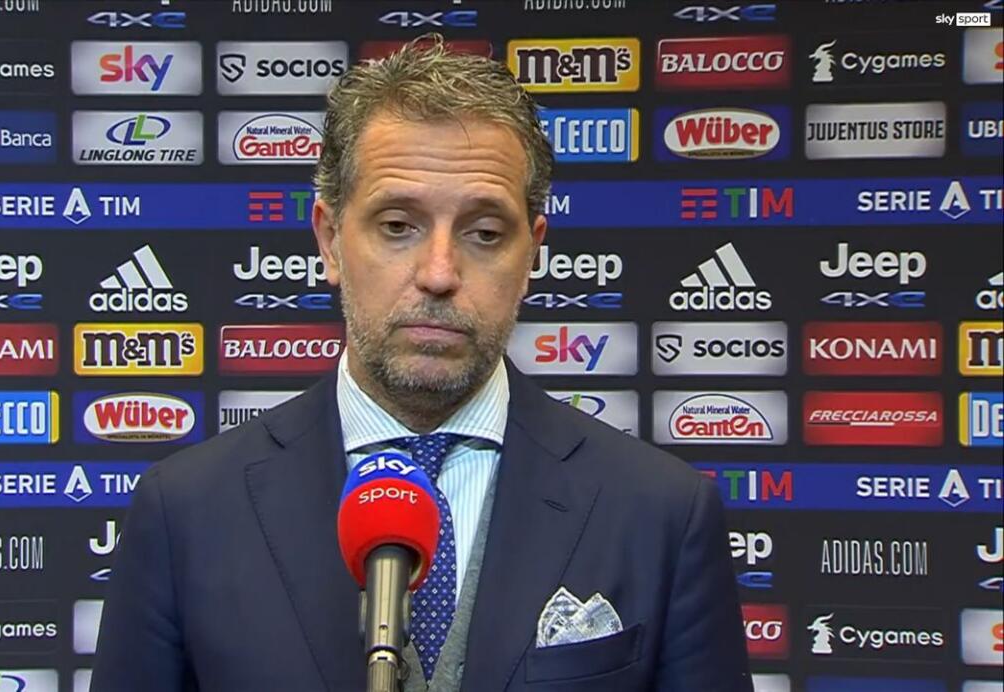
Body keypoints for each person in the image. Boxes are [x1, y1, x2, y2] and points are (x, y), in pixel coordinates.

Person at [92, 36, 751, 692]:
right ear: (330, 240)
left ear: (532, 253)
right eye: (397, 226)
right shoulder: (187, 510)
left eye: (484, 233)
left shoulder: (660, 512)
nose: (439, 273)